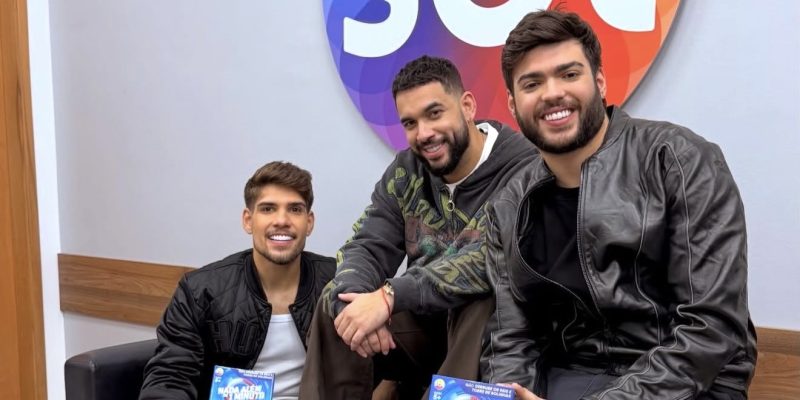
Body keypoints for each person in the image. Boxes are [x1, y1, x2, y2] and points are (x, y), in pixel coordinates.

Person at [480, 10, 757, 400]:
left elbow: (711, 327)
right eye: (532, 83)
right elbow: (512, 338)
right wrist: (509, 394)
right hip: (571, 377)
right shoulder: (508, 205)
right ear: (512, 104)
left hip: (688, 384)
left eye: (569, 74)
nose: (552, 92)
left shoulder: (678, 160)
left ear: (599, 82)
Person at [299, 56, 538, 399]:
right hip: (421, 328)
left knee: (483, 297)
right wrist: (353, 306)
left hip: (486, 335)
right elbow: (367, 245)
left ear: (467, 106)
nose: (424, 133)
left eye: (434, 113)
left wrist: (389, 296)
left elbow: (492, 259)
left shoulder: (524, 167)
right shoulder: (406, 170)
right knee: (336, 303)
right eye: (410, 123)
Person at [139, 161, 335, 400]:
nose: (282, 220)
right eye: (268, 209)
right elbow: (170, 378)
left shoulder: (339, 283)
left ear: (309, 222)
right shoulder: (200, 291)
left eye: (295, 209)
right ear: (248, 221)